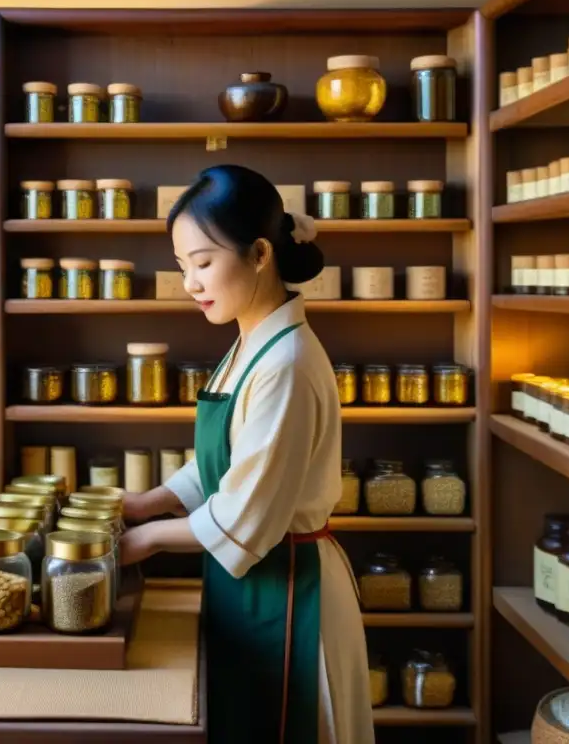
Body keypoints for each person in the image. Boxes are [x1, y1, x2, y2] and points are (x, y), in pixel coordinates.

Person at [118, 165, 375, 744]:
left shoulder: (285, 363)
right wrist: (150, 502)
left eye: (204, 262)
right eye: (183, 266)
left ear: (261, 253)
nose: (190, 282)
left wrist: (151, 538)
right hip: (253, 581)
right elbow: (230, 461)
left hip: (289, 587)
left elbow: (244, 511)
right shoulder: (251, 341)